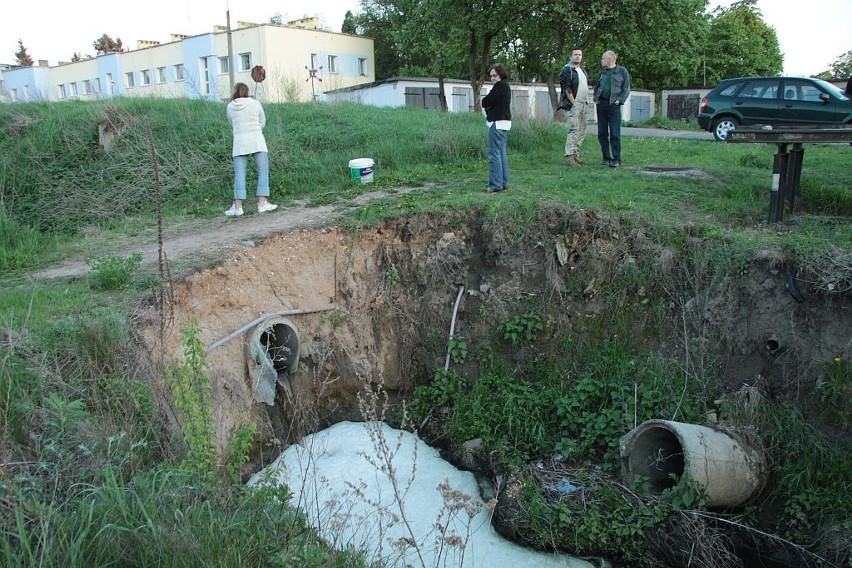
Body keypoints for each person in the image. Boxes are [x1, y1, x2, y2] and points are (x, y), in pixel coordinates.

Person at [225, 82, 277, 216]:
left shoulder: (230, 106)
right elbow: (262, 122)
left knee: (240, 174)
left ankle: (238, 207)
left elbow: (231, 123)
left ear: (235, 91)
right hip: (257, 140)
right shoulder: (255, 103)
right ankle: (262, 203)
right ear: (247, 91)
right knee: (262, 172)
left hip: (239, 143)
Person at [593, 50, 630, 168]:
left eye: (603, 59)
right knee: (602, 133)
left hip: (614, 105)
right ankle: (606, 158)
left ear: (610, 59)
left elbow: (626, 88)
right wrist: (596, 99)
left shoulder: (622, 71)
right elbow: (597, 87)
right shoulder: (602, 73)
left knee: (614, 133)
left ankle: (616, 159)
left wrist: (619, 101)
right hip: (602, 105)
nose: (601, 61)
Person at [559, 47, 592, 166]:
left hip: (584, 103)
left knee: (582, 130)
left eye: (580, 55)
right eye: (575, 54)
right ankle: (569, 156)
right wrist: (573, 103)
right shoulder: (567, 70)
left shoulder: (582, 70)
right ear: (570, 56)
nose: (578, 56)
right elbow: (566, 88)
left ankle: (576, 154)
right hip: (574, 104)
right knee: (573, 129)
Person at [481, 63, 512, 192]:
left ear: (500, 74)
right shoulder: (506, 86)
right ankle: (504, 182)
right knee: (502, 153)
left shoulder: (499, 86)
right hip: (504, 122)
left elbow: (485, 102)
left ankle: (495, 184)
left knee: (494, 154)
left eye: (494, 75)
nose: (492, 78)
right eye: (491, 76)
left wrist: (489, 106)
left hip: (497, 122)